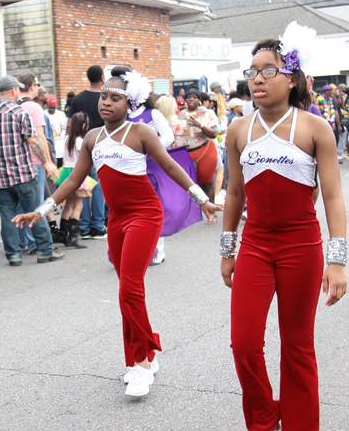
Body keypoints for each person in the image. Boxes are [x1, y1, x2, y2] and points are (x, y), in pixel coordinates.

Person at [15, 66, 221, 397]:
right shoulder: (92, 138)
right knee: (126, 291)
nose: (106, 103)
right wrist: (41, 211)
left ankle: (140, 364)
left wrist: (202, 199)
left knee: (130, 288)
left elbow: (169, 166)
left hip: (145, 214)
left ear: (131, 104)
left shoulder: (140, 132)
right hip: (117, 220)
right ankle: (144, 354)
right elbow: (72, 180)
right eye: (104, 97)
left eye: (115, 98)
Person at [222, 23, 347, 431]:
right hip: (255, 245)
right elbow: (234, 195)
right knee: (243, 342)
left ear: (291, 78)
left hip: (301, 247)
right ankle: (263, 428)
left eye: (267, 70)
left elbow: (333, 198)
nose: (256, 79)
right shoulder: (238, 130)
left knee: (297, 346)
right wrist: (227, 248)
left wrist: (337, 260)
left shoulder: (315, 129)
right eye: (252, 72)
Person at [0, 75, 64, 266]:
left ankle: (13, 255)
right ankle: (45, 251)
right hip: (23, 173)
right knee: (36, 211)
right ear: (15, 90)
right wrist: (47, 162)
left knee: (7, 216)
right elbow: (33, 141)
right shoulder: (19, 112)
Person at [130, 93, 175, 263]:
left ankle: (156, 251)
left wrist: (146, 150)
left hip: (150, 168)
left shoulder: (152, 113)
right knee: (131, 212)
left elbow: (168, 137)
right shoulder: (122, 115)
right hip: (127, 170)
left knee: (151, 210)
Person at [17, 74, 59, 250]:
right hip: (35, 160)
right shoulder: (33, 107)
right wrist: (48, 162)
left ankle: (23, 243)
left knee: (20, 203)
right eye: (37, 84)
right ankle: (38, 244)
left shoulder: (14, 106)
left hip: (19, 161)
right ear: (32, 87)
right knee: (36, 203)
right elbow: (40, 137)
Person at [68, 65, 107, 239]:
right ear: (102, 77)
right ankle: (98, 226)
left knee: (82, 185)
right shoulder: (104, 98)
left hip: (80, 148)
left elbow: (69, 124)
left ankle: (83, 226)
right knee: (98, 187)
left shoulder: (77, 99)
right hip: (101, 146)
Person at [172, 89, 220, 205]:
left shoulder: (206, 113)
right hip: (184, 154)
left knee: (206, 184)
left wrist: (201, 125)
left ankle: (212, 212)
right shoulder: (180, 113)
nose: (191, 99)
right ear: (185, 100)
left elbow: (214, 133)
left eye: (194, 97)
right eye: (188, 97)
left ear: (199, 100)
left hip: (204, 151)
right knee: (187, 185)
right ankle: (193, 214)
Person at [56, 112, 92, 249]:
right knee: (79, 205)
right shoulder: (80, 141)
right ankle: (73, 236)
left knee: (68, 205)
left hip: (66, 172)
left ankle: (62, 234)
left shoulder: (67, 139)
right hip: (76, 173)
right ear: (83, 125)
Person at [47, 95, 67, 164]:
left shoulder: (61, 114)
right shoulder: (44, 114)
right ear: (47, 106)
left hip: (62, 149)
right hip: (51, 149)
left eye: (54, 107)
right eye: (50, 107)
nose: (52, 109)